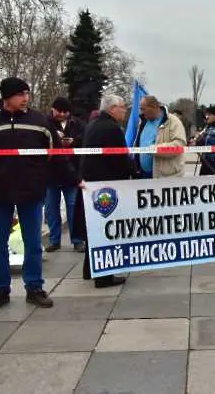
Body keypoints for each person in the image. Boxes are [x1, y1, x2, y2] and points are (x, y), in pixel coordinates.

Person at [0, 77, 81, 312]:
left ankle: (34, 287)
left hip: (32, 192)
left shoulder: (40, 122)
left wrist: (75, 180)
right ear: (7, 97)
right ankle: (0, 289)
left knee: (33, 243)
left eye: (27, 94)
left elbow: (57, 158)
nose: (26, 99)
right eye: (20, 94)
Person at [75, 94, 137, 287]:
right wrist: (133, 170)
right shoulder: (112, 128)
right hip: (106, 185)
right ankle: (104, 276)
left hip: (91, 183)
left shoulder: (93, 124)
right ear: (112, 109)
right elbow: (119, 158)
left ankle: (89, 270)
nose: (125, 110)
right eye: (122, 107)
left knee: (94, 228)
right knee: (105, 229)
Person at [44, 97, 86, 253]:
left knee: (73, 208)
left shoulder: (78, 124)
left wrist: (73, 141)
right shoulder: (44, 123)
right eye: (59, 111)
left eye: (65, 112)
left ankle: (77, 240)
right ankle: (54, 240)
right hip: (51, 173)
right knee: (51, 210)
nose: (62, 114)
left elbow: (86, 139)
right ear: (52, 109)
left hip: (72, 173)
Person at [133, 95, 186, 179]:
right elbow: (138, 143)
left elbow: (179, 145)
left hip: (164, 176)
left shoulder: (173, 121)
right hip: (143, 174)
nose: (141, 112)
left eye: (143, 109)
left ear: (154, 107)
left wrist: (154, 149)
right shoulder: (143, 121)